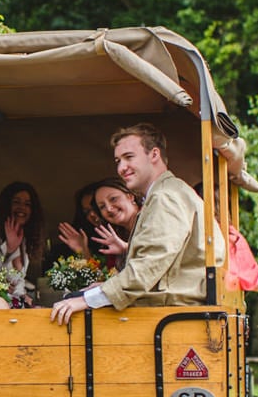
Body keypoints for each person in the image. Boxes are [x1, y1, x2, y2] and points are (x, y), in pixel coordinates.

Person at [51, 123, 220, 323]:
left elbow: (148, 266)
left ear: (154, 155)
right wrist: (103, 288)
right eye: (118, 161)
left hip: (172, 316)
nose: (121, 168)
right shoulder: (165, 193)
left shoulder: (165, 197)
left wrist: (88, 299)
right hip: (170, 310)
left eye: (129, 157)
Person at [0, 181, 44, 307]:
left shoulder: (25, 239)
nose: (22, 208)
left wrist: (22, 295)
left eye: (27, 204)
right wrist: (9, 249)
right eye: (16, 202)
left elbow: (19, 279)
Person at [58, 177, 138, 269]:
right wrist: (83, 252)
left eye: (113, 199)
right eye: (102, 206)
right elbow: (109, 278)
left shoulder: (151, 217)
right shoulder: (114, 235)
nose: (109, 208)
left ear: (130, 196)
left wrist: (126, 248)